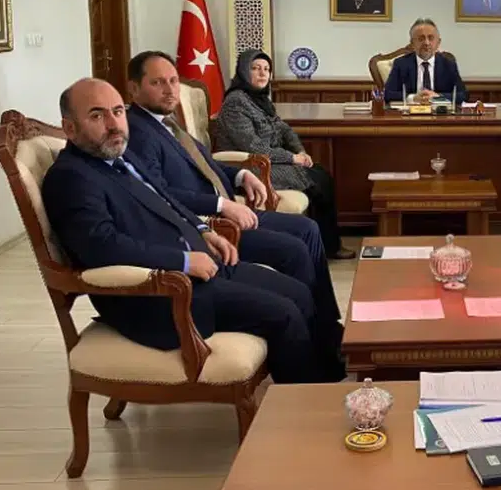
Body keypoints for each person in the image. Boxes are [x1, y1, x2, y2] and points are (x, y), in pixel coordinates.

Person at [42, 79, 320, 383]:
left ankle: (325, 377)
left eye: (118, 111)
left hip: (201, 266)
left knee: (299, 293)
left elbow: (166, 198)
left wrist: (203, 230)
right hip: (164, 296)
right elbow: (103, 247)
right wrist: (184, 261)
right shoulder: (71, 178)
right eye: (97, 115)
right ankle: (298, 405)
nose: (113, 124)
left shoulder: (120, 156)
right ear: (69, 128)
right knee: (285, 313)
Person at [123, 51, 345, 379]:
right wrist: (220, 206)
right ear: (134, 89)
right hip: (209, 222)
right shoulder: (139, 132)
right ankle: (316, 343)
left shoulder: (167, 123)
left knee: (308, 229)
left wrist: (240, 176)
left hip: (227, 208)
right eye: (158, 83)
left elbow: (207, 163)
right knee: (296, 248)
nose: (170, 90)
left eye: (173, 81)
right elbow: (160, 194)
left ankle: (325, 329)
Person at [216, 50, 355, 259]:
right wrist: (291, 158)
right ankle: (326, 246)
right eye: (255, 68)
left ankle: (324, 244)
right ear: (243, 71)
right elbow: (253, 146)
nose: (262, 74)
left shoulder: (259, 99)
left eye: (266, 69)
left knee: (320, 174)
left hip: (268, 161)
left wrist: (300, 150)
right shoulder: (235, 103)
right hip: (249, 168)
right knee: (318, 180)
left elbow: (284, 129)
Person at [382, 18, 468, 104]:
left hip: (439, 111)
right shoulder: (401, 64)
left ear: (438, 42)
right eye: (421, 39)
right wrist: (413, 98)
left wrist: (437, 97)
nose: (426, 43)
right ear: (412, 43)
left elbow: (463, 95)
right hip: (411, 111)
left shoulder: (448, 64)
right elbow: (387, 94)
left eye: (431, 38)